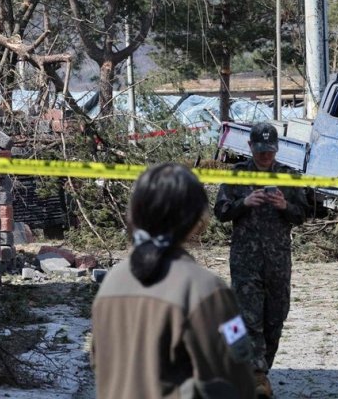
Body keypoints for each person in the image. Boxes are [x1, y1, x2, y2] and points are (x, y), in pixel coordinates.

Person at [91, 163, 255, 399]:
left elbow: (101, 366)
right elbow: (236, 382)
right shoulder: (205, 289)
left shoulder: (112, 282)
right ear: (197, 219)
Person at [214, 122, 309, 398]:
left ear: (276, 148)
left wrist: (285, 206)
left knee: (275, 318)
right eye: (260, 150)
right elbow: (220, 211)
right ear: (250, 147)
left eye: (269, 150)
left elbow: (303, 214)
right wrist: (244, 202)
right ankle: (256, 375)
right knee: (249, 317)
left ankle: (259, 371)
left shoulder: (288, 176)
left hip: (278, 261)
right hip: (246, 260)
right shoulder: (239, 174)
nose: (265, 155)